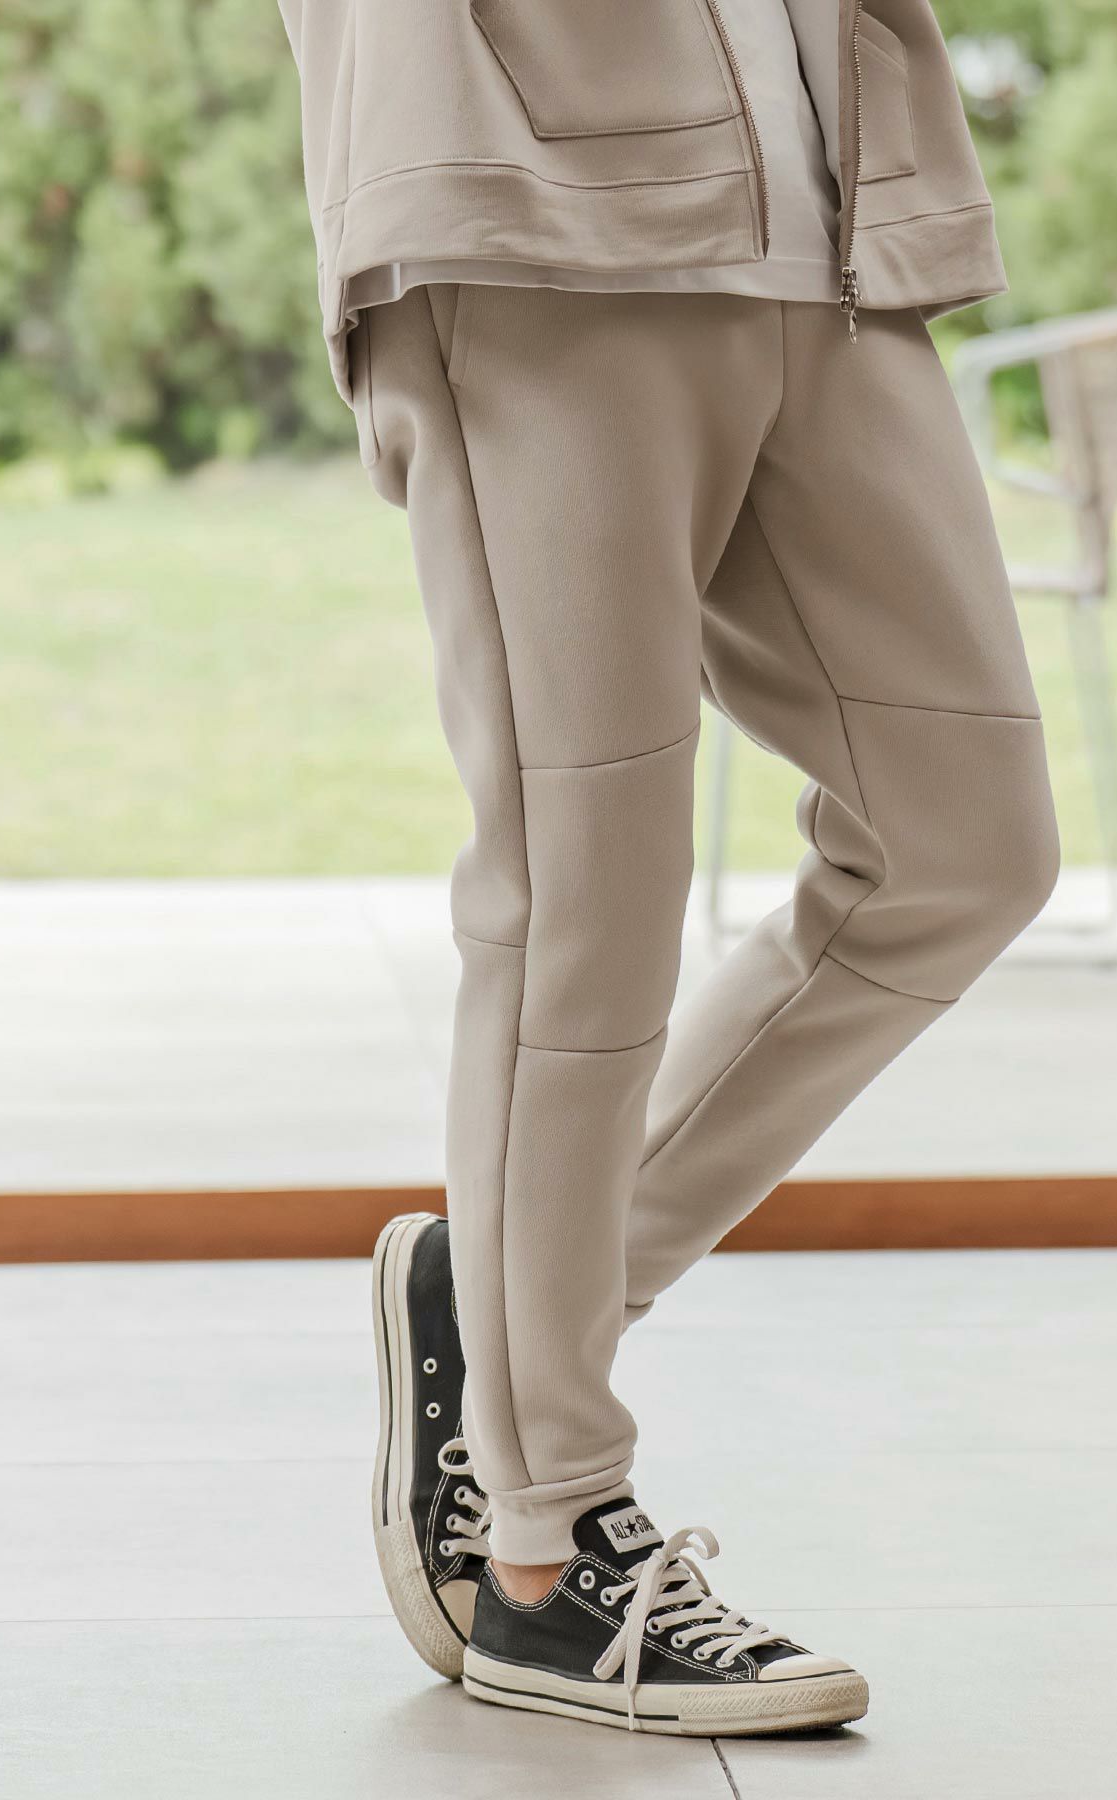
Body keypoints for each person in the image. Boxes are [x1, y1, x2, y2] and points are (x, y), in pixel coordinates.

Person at [281, 0, 1059, 1737]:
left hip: (823, 225)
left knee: (964, 842)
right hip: (533, 223)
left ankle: (502, 1306)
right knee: (583, 894)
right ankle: (543, 1555)